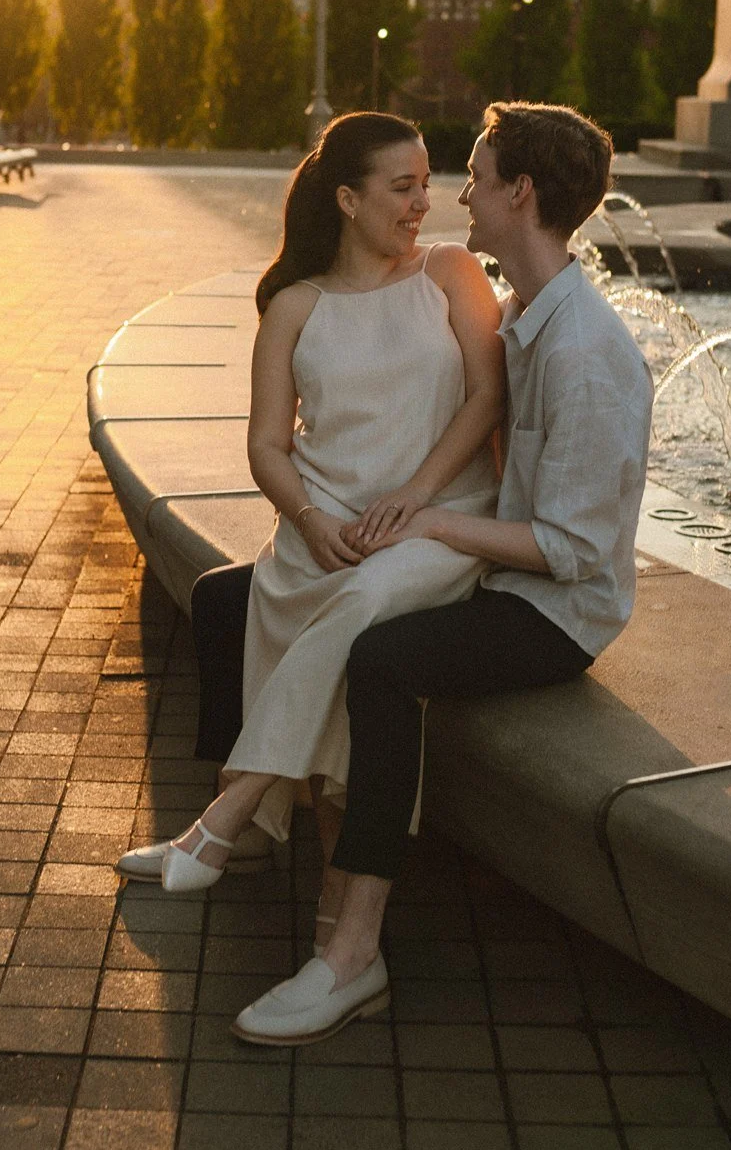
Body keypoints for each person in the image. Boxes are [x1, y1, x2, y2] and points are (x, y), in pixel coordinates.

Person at [231, 102, 653, 1045]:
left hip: (554, 614)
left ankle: (350, 949)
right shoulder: (527, 315)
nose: (458, 193)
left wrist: (434, 521)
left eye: (474, 173)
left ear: (520, 194)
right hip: (497, 572)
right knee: (251, 590)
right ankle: (291, 885)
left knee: (383, 658)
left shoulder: (585, 354)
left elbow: (574, 552)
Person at [115, 113, 506, 953]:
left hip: (441, 526)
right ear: (347, 199)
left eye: (426, 182)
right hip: (322, 538)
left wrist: (416, 494)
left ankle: (228, 811)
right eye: (402, 187)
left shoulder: (451, 272)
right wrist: (313, 519)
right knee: (337, 618)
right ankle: (335, 943)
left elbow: (486, 397)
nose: (422, 202)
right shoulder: (294, 304)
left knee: (368, 596)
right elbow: (265, 446)